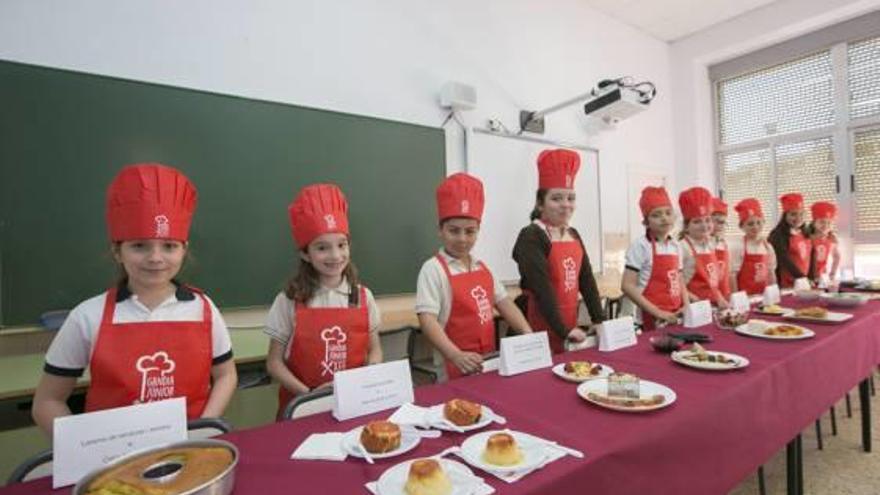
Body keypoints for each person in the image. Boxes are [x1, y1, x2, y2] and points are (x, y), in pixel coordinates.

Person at [33, 163, 237, 435]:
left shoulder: (203, 309)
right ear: (118, 251)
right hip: (114, 462)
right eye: (139, 246)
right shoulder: (87, 316)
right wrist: (86, 448)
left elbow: (226, 375)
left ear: (183, 251)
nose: (155, 258)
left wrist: (204, 428)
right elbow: (47, 401)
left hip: (190, 451)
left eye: (169, 246)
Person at [264, 183, 382, 417]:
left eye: (342, 245)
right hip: (303, 408)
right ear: (305, 253)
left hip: (353, 405)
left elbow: (375, 350)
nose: (336, 256)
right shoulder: (290, 300)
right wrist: (309, 395)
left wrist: (365, 382)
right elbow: (274, 364)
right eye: (322, 248)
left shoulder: (362, 297)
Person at [416, 173, 531, 378]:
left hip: (488, 361)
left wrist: (528, 335)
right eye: (454, 231)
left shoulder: (482, 267)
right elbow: (427, 321)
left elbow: (505, 304)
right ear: (440, 230)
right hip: (454, 366)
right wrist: (455, 355)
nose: (462, 239)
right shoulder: (432, 269)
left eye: (470, 232)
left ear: (478, 231)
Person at [512, 149, 605, 353]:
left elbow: (587, 281)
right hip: (537, 325)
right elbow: (541, 289)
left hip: (567, 325)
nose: (566, 205)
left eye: (571, 198)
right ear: (540, 203)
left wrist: (600, 320)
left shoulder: (573, 234)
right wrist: (564, 330)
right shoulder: (531, 236)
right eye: (556, 198)